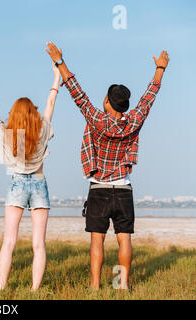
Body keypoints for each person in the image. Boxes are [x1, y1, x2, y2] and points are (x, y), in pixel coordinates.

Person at [45, 42, 169, 290]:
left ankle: (94, 286)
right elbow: (148, 98)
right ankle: (121, 285)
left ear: (109, 103)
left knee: (97, 241)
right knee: (124, 240)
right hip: (123, 189)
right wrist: (160, 69)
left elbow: (76, 92)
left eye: (106, 96)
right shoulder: (134, 121)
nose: (103, 98)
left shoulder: (97, 120)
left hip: (99, 189)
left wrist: (60, 62)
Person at [0, 64, 59, 291]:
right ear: (33, 114)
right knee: (38, 244)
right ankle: (35, 289)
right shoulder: (43, 129)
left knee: (9, 242)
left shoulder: (7, 134)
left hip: (16, 183)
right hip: (39, 182)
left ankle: (1, 287)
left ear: (14, 115)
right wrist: (56, 77)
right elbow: (50, 103)